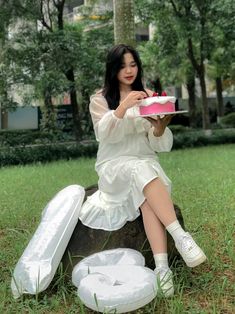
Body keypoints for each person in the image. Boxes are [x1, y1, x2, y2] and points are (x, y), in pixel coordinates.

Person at [79, 44, 206, 296]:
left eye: (133, 64)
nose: (129, 70)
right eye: (123, 65)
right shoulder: (100, 99)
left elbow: (156, 142)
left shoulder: (148, 96)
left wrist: (159, 127)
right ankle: (181, 237)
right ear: (113, 68)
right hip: (113, 167)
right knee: (142, 170)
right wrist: (123, 106)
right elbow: (102, 133)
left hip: (144, 165)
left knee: (147, 197)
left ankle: (162, 270)